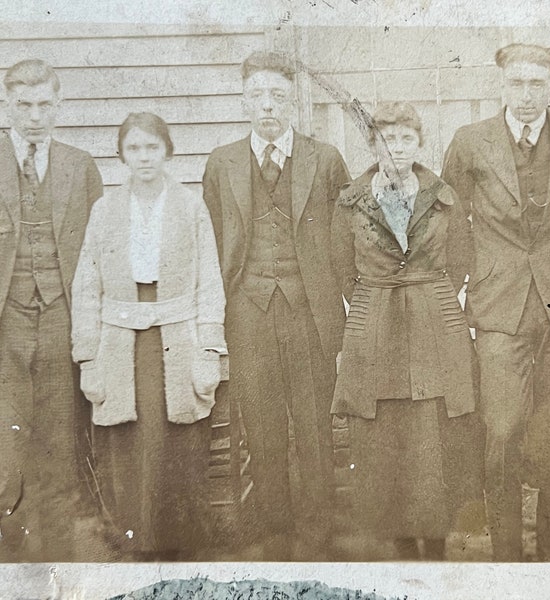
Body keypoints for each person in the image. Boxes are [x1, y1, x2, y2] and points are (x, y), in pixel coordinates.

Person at [442, 43, 550, 561]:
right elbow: (451, 222)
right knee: (503, 430)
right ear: (502, 84)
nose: (527, 96)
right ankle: (506, 558)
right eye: (518, 84)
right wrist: (475, 279)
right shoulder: (469, 141)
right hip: (498, 307)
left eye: (538, 85)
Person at [203, 51, 349, 560]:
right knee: (262, 427)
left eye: (279, 96)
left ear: (294, 102)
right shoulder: (221, 162)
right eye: (259, 96)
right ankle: (274, 532)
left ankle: (318, 536)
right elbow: (213, 244)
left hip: (310, 311)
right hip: (248, 312)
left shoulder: (325, 159)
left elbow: (345, 240)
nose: (269, 106)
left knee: (313, 426)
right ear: (244, 100)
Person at [71, 112, 227, 561]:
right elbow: (88, 285)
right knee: (130, 442)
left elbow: (209, 280)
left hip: (177, 335)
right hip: (122, 343)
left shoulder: (189, 206)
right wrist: (89, 355)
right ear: (122, 154)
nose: (143, 157)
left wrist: (209, 346)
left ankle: (182, 544)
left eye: (152, 147)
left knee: (179, 440)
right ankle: (134, 542)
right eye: (135, 148)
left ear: (167, 151)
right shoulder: (105, 210)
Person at [331, 101, 483, 561]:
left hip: (434, 322)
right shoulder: (351, 200)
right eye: (386, 139)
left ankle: (436, 544)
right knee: (383, 439)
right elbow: (341, 266)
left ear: (419, 144)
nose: (396, 148)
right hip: (374, 322)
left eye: (405, 139)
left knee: (432, 436)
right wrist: (376, 300)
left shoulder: (443, 196)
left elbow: (460, 259)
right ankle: (400, 546)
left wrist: (427, 298)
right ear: (373, 144)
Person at [0, 59, 103, 561]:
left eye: (44, 105)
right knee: (7, 454)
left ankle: (59, 566)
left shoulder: (80, 166)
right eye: (24, 105)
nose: (34, 116)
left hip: (63, 321)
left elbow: (101, 254)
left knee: (61, 449)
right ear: (7, 105)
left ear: (58, 106)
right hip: (6, 327)